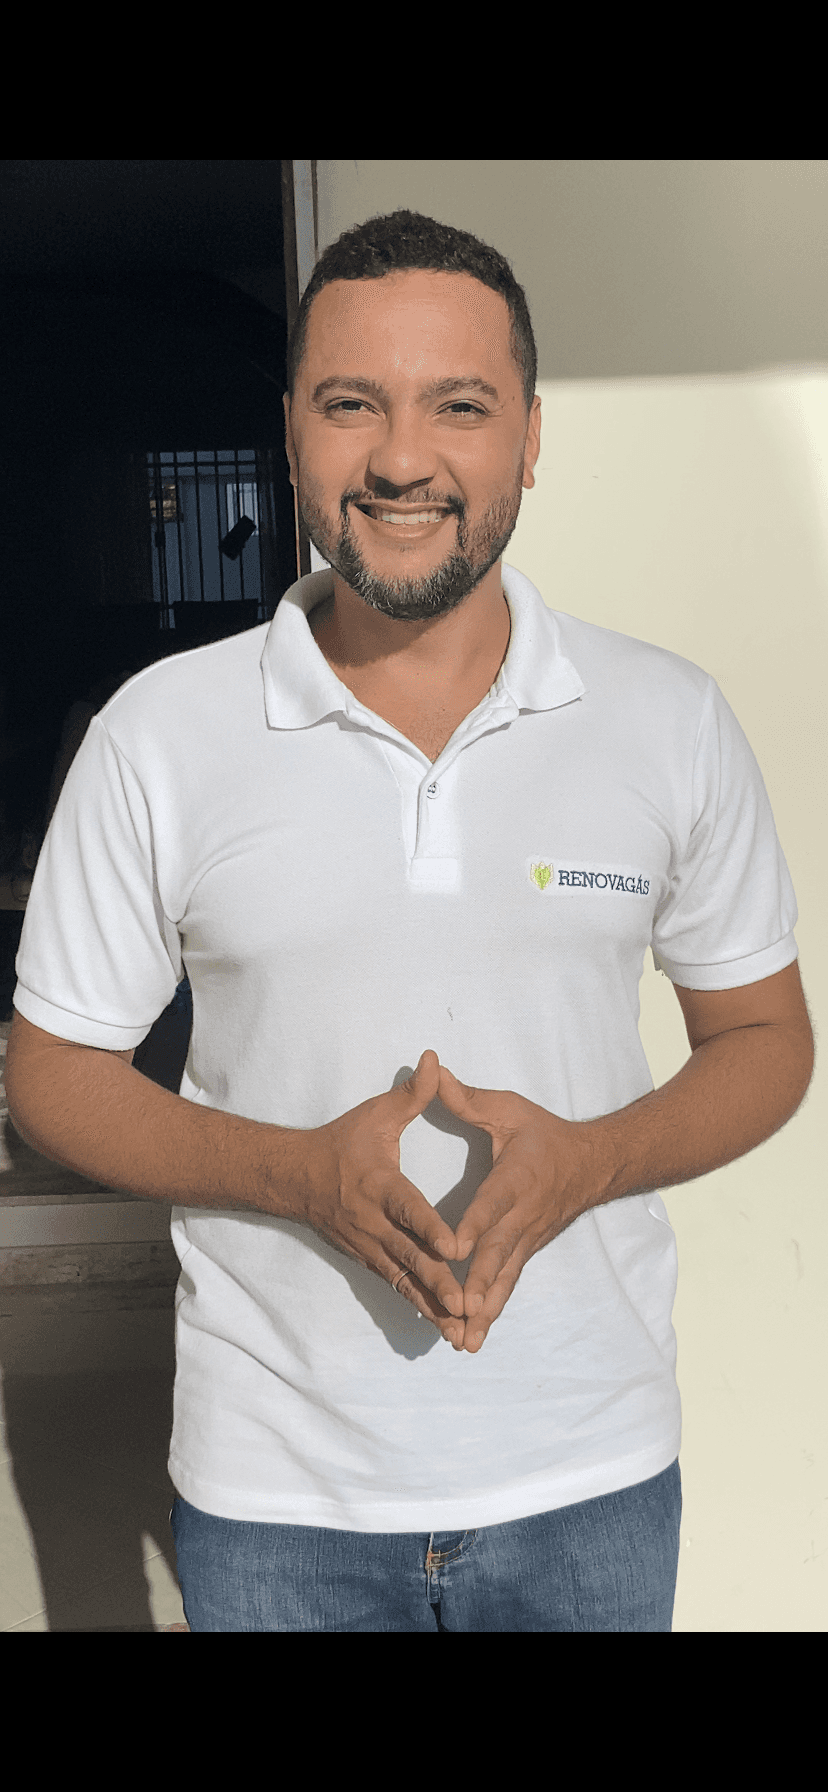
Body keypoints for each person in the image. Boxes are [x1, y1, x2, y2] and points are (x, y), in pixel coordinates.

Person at [5, 211, 814, 1634]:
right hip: (277, 1493)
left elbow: (764, 1037)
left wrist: (593, 1160)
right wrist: (294, 1175)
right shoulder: (159, 734)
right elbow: (52, 1076)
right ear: (292, 430)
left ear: (532, 435)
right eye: (350, 403)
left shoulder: (667, 720)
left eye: (460, 404)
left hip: (592, 1476)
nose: (400, 458)